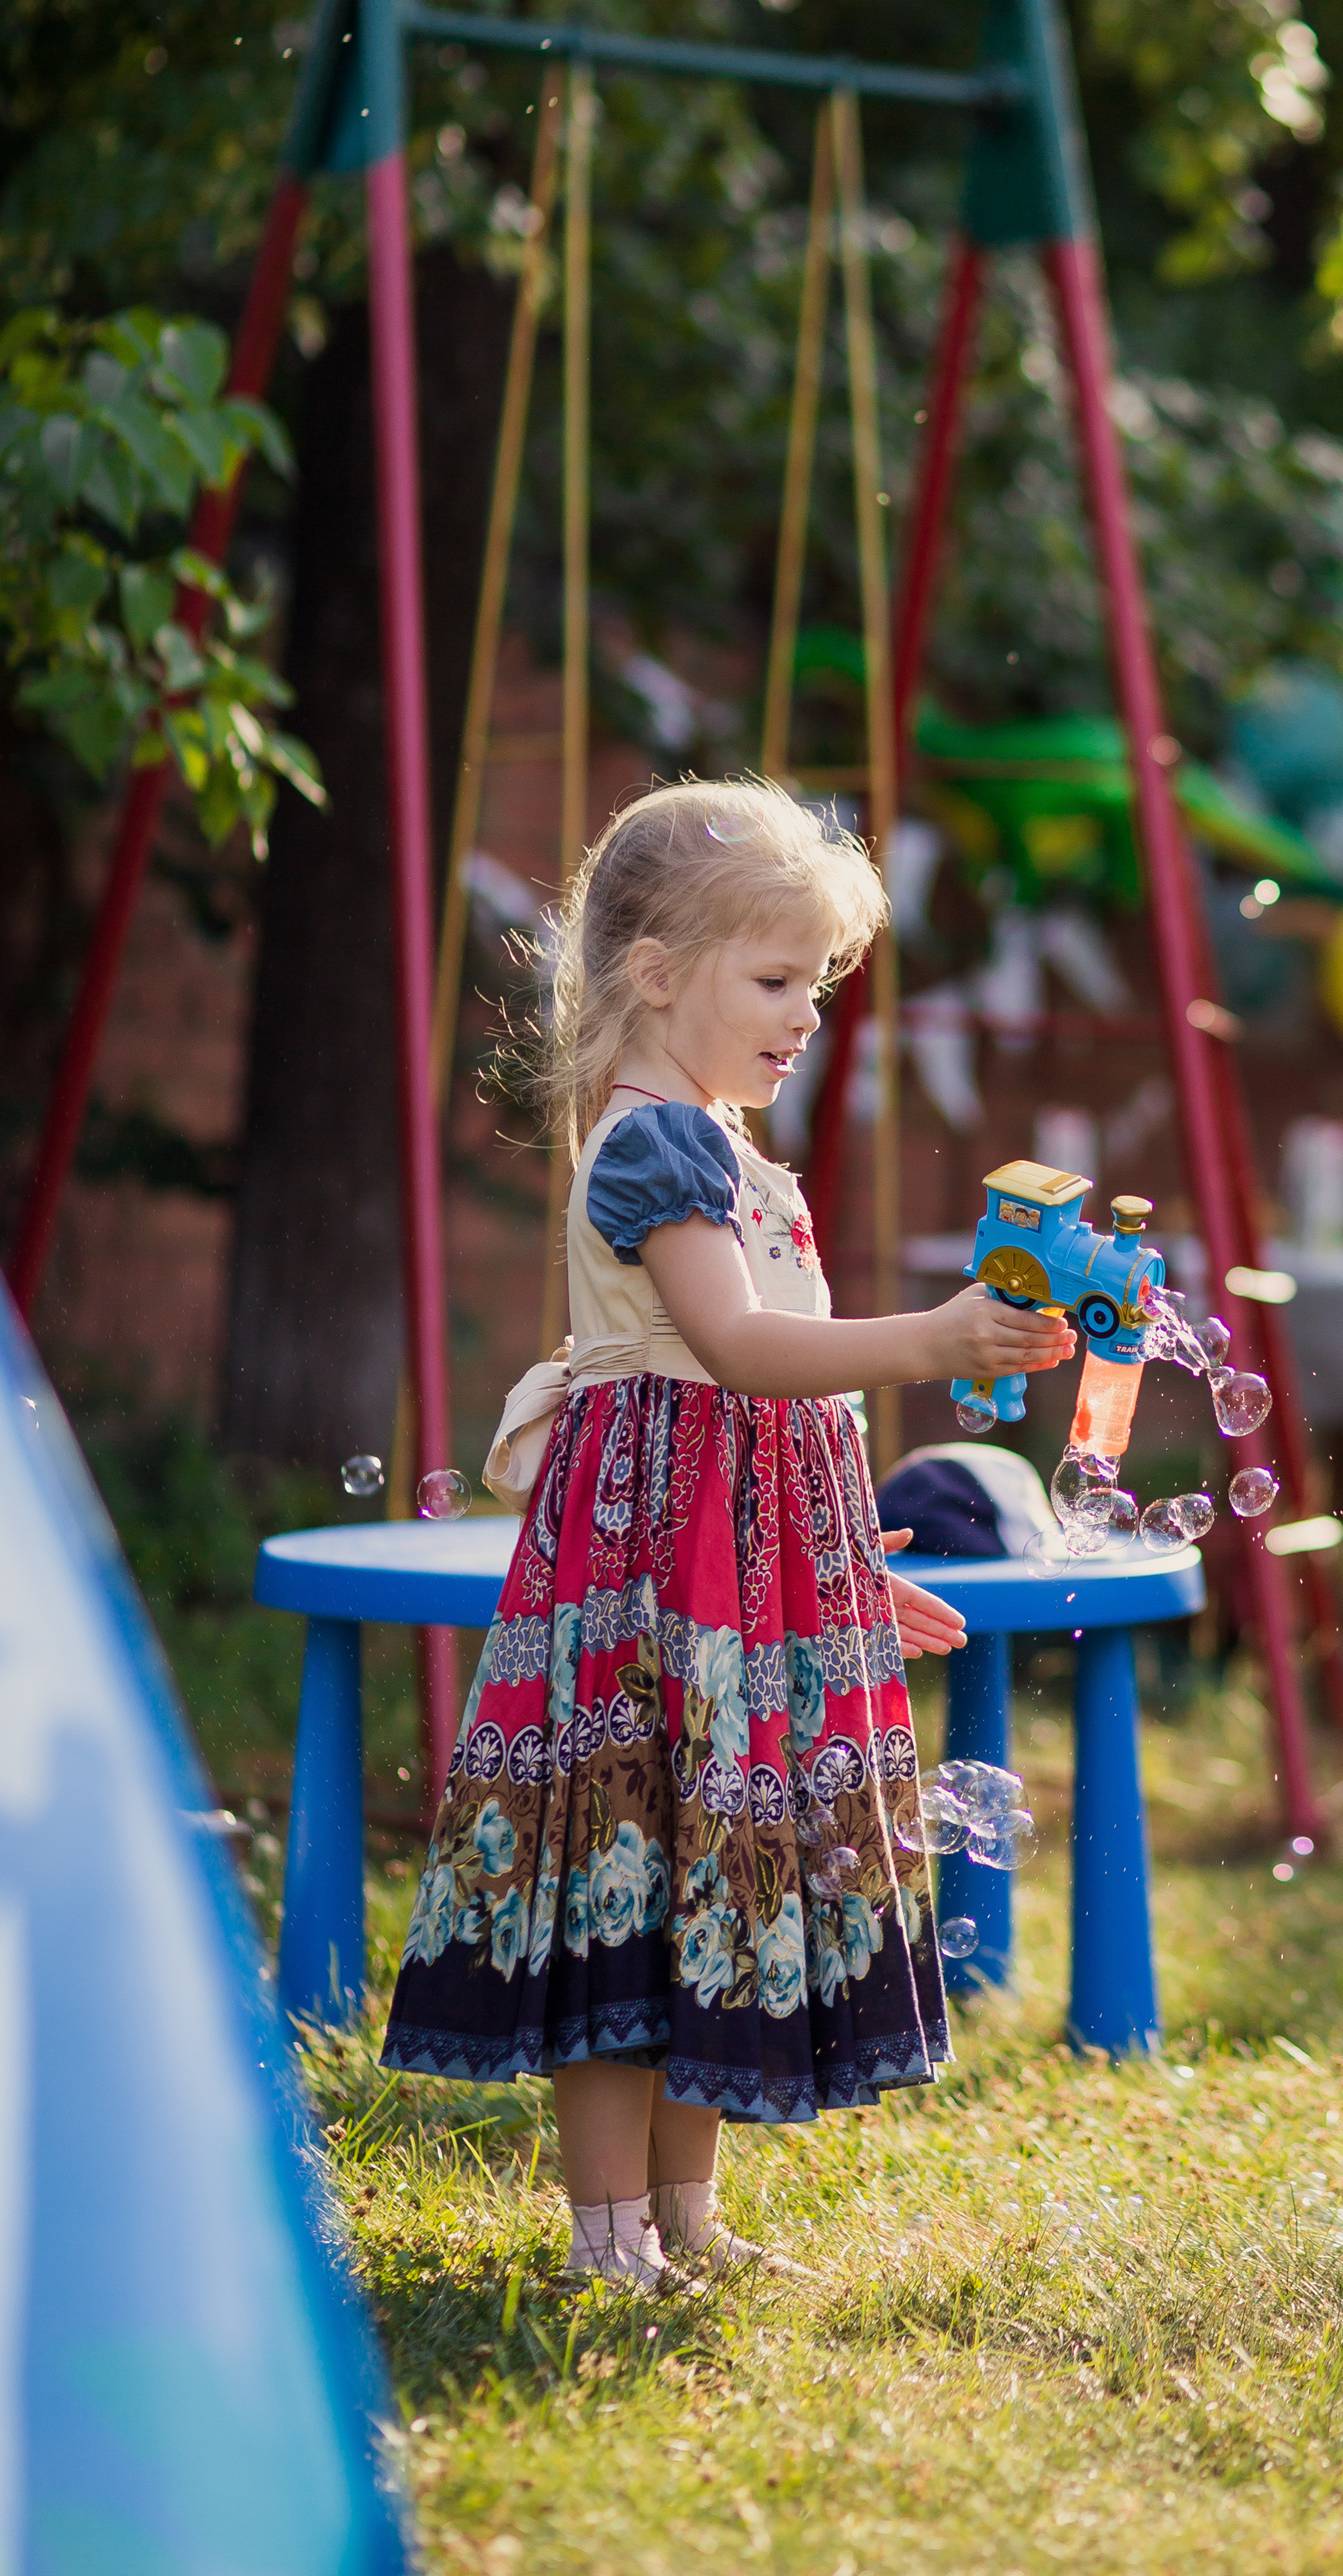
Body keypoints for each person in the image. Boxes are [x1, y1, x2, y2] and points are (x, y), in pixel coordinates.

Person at [381, 778, 1072, 2287]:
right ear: (656, 972)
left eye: (817, 984)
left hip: (729, 1576)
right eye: (776, 981)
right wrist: (937, 1336)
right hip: (647, 1580)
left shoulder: (721, 1145)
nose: (806, 1017)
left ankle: (689, 2220)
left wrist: (842, 1581)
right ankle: (608, 2233)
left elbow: (763, 1433)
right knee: (630, 1873)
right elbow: (740, 1353)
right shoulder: (655, 1152)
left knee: (716, 1884)